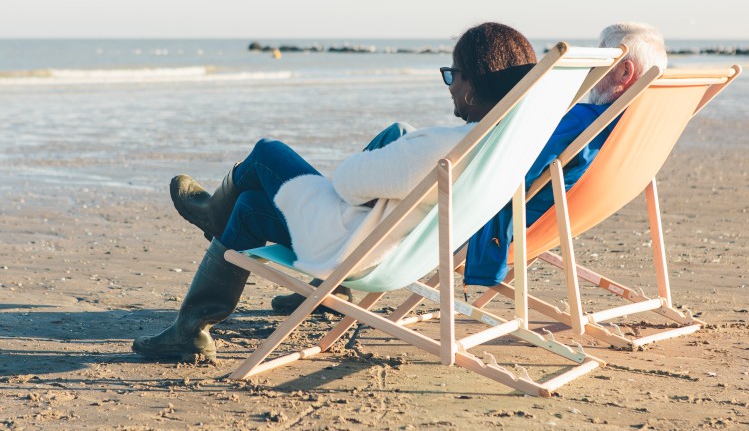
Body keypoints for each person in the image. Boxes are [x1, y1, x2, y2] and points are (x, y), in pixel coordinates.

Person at [132, 22, 539, 360]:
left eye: (452, 76)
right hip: (400, 249)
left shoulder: (439, 146)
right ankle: (195, 328)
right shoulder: (507, 146)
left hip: (352, 253)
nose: (448, 86)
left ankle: (209, 217)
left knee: (266, 154)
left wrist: (384, 165)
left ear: (471, 87)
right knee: (254, 206)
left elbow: (347, 183)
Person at [267, 21, 669, 309]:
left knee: (281, 166)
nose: (595, 73)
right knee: (399, 133)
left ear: (626, 72)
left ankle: (333, 267)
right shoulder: (635, 123)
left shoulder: (583, 121)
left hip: (479, 213)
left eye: (606, 62)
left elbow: (503, 165)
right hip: (543, 211)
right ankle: (331, 276)